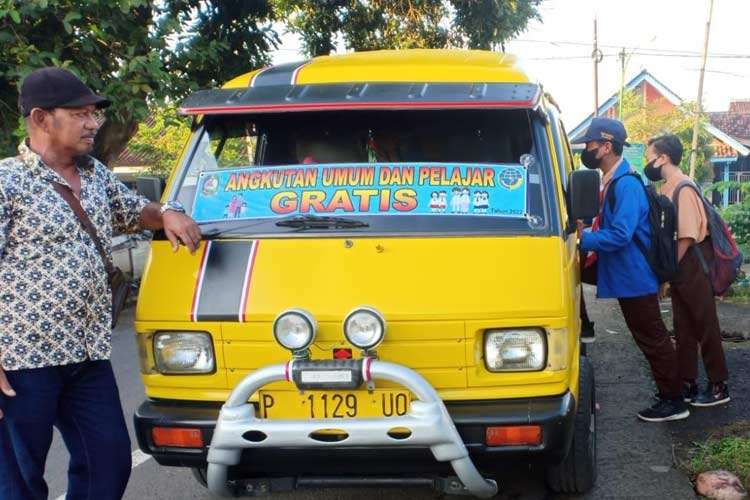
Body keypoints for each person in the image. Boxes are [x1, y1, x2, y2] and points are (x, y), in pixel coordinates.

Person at [0, 67, 202, 500]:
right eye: (80, 114)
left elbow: (133, 210)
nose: (94, 124)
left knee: (108, 459)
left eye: (93, 114)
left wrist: (166, 213)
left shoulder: (93, 176)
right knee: (18, 480)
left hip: (88, 356)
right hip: (21, 362)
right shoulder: (7, 183)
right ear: (40, 118)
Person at [573, 117, 688, 422]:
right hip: (626, 273)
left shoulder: (625, 184)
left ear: (606, 146)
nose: (587, 150)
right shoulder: (614, 180)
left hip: (634, 276)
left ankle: (673, 400)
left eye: (591, 145)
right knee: (651, 335)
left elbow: (622, 234)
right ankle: (672, 392)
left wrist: (583, 239)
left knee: (652, 337)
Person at [644, 134, 730, 407]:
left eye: (650, 158)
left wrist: (668, 270)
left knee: (704, 324)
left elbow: (688, 235)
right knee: (683, 327)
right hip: (682, 264)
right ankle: (688, 382)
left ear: (663, 158)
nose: (649, 164)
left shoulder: (683, 187)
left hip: (692, 262)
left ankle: (718, 386)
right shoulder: (669, 187)